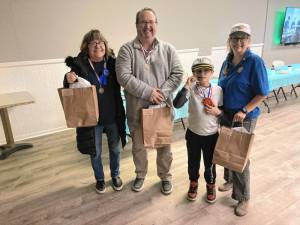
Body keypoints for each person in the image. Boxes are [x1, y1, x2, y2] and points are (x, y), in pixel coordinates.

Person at [116, 7, 183, 195]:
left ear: (156, 24)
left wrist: (160, 93)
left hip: (161, 108)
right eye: (143, 22)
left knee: (164, 148)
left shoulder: (168, 49)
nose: (147, 26)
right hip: (137, 110)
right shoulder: (126, 50)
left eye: (151, 22)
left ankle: (166, 177)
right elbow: (123, 76)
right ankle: (140, 175)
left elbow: (177, 74)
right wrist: (148, 92)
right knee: (138, 148)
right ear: (137, 25)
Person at [63, 29, 127, 194]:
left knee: (115, 149)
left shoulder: (113, 63)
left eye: (101, 42)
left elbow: (127, 77)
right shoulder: (79, 65)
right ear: (86, 47)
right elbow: (70, 88)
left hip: (112, 115)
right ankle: (99, 179)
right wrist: (67, 79)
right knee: (95, 151)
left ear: (105, 45)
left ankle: (115, 175)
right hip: (92, 118)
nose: (98, 45)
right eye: (93, 42)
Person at [218, 23, 269, 216]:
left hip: (243, 116)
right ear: (229, 41)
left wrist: (245, 110)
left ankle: (243, 197)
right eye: (235, 38)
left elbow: (263, 93)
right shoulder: (227, 61)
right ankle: (230, 179)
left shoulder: (254, 61)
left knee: (240, 155)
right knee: (226, 149)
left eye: (243, 38)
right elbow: (222, 85)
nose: (239, 42)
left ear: (249, 41)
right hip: (226, 113)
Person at [173, 57, 223, 203]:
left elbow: (223, 111)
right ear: (193, 73)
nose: (202, 74)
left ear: (212, 72)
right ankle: (193, 183)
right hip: (193, 134)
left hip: (211, 135)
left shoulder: (218, 90)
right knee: (193, 162)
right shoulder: (191, 90)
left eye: (206, 71)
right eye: (198, 71)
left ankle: (210, 185)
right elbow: (177, 104)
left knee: (210, 164)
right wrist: (186, 86)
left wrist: (217, 111)